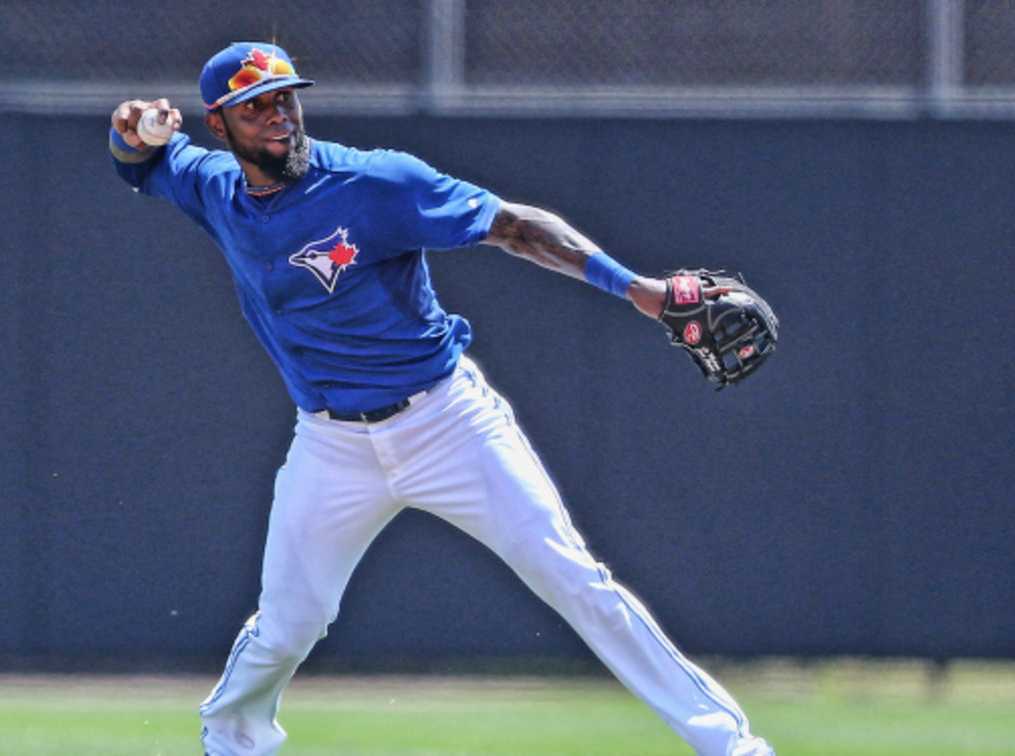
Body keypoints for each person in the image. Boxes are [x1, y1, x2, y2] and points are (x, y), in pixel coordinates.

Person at [109, 41, 774, 756]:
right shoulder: (213, 187)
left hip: (446, 421)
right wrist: (128, 128)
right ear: (220, 126)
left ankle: (732, 748)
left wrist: (635, 288)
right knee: (288, 623)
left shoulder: (373, 183)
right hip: (331, 444)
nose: (279, 117)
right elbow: (141, 163)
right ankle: (232, 744)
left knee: (574, 579)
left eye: (285, 98)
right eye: (256, 108)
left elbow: (514, 227)